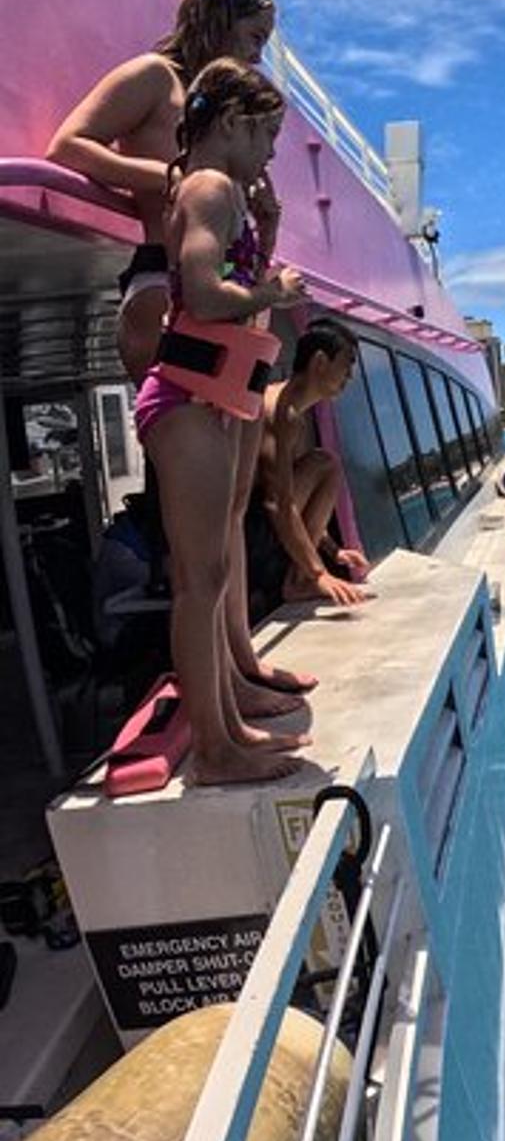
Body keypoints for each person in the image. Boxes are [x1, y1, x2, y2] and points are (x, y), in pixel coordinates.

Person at [141, 58, 308, 784]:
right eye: (267, 135)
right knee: (200, 578)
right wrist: (272, 286)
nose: (271, 153)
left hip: (212, 395)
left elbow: (228, 284)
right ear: (234, 123)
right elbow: (208, 295)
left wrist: (265, 232)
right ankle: (213, 750)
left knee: (207, 571)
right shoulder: (209, 187)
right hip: (186, 401)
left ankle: (226, 726)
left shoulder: (222, 193)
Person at [45, 0, 276, 385]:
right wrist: (172, 178)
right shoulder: (154, 77)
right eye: (256, 37)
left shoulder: (227, 109)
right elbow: (68, 145)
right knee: (183, 440)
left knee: (230, 437)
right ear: (219, 19)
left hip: (231, 283)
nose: (258, 56)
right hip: (164, 277)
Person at [258, 318, 372, 606]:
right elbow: (278, 502)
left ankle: (303, 575)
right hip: (248, 530)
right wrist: (320, 573)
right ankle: (300, 580)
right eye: (346, 365)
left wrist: (333, 551)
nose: (349, 376)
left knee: (324, 463)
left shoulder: (292, 412)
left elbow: (294, 496)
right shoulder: (281, 411)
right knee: (324, 463)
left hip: (258, 523)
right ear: (320, 362)